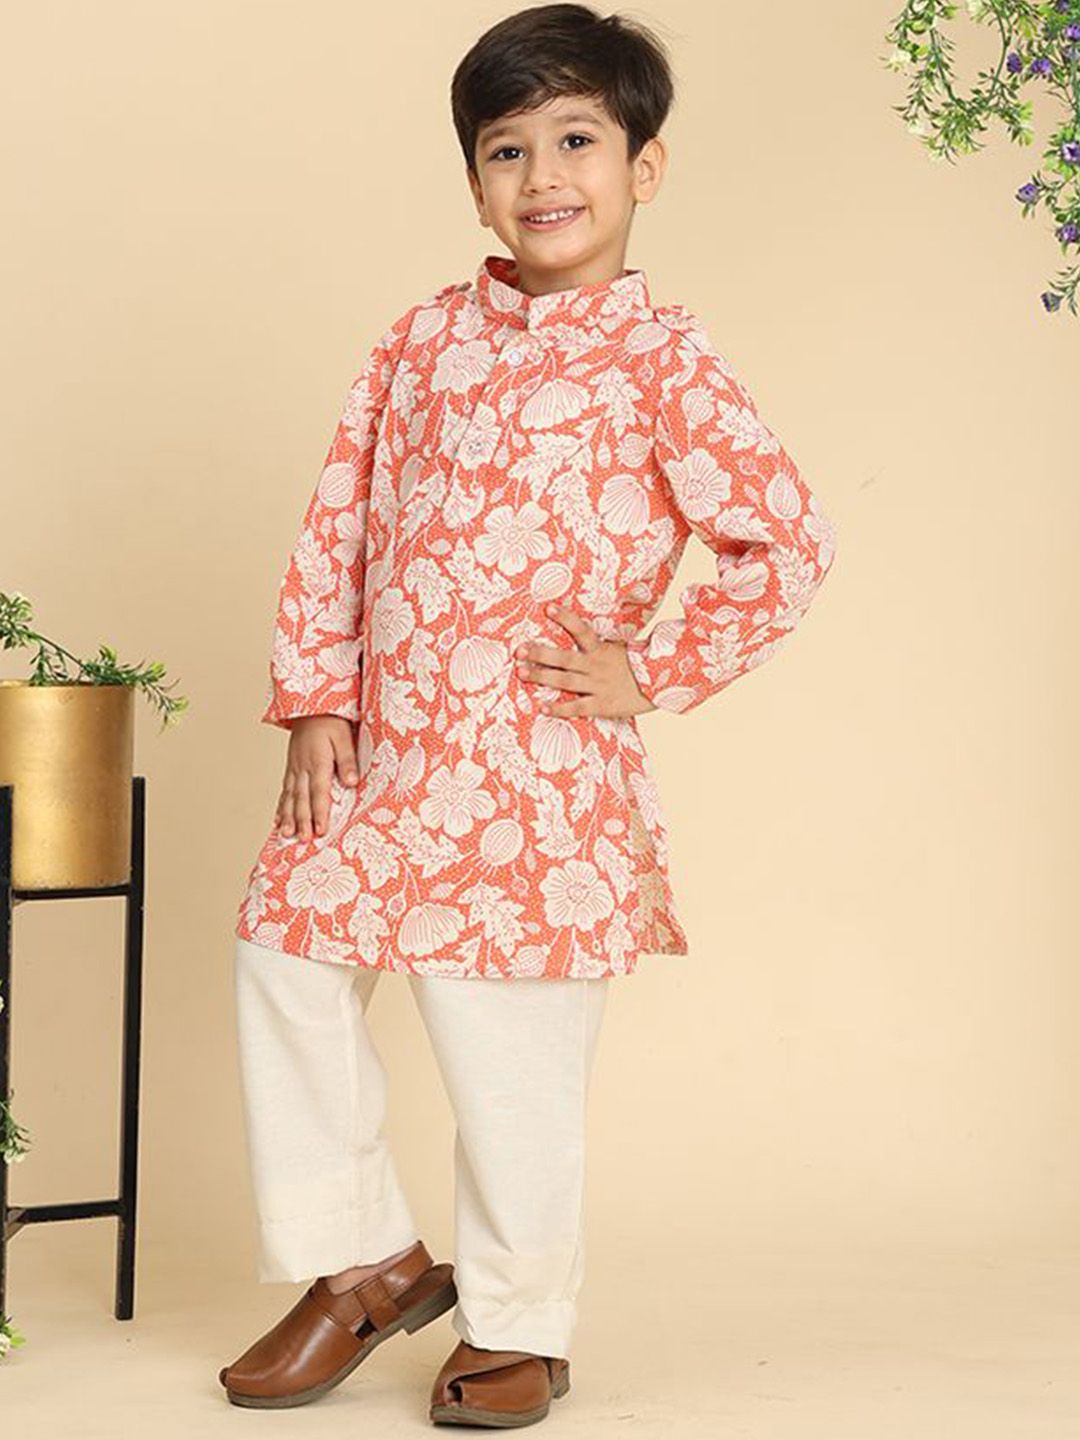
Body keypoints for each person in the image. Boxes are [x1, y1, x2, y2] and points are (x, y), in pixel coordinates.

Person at [218, 2, 838, 1427]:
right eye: (508, 149)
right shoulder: (421, 342)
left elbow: (787, 541)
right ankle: (364, 1263)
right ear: (474, 182)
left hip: (536, 777)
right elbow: (339, 522)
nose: (544, 175)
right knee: (283, 959)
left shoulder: (664, 359)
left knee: (509, 1058)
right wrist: (315, 697)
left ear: (643, 167)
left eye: (576, 141)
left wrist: (655, 668)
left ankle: (516, 1321)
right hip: (381, 753)